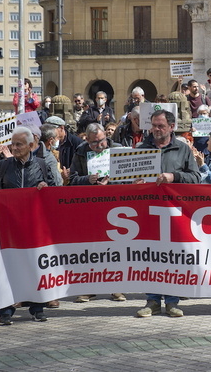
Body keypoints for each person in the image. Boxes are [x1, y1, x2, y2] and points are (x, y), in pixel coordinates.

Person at [0, 127, 56, 325]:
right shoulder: (3, 165)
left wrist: (46, 188)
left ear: (31, 146)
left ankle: (37, 308)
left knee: (35, 266)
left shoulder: (42, 165)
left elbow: (54, 191)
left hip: (34, 227)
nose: (14, 148)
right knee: (8, 267)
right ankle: (6, 310)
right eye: (13, 144)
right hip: (9, 227)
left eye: (19, 144)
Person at [135, 110, 201, 318]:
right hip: (148, 213)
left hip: (174, 213)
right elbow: (124, 180)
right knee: (150, 255)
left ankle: (172, 301)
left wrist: (174, 176)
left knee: (172, 256)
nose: (156, 129)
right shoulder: (140, 149)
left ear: (171, 127)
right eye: (154, 125)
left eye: (161, 126)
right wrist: (134, 184)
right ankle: (152, 300)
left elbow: (195, 178)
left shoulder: (182, 149)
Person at [69, 123, 126, 302]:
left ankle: (116, 287)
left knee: (115, 248)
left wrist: (112, 181)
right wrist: (87, 179)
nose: (99, 146)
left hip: (114, 206)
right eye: (94, 143)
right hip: (90, 206)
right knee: (90, 248)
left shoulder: (118, 149)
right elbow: (72, 179)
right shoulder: (80, 152)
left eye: (101, 141)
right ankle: (88, 288)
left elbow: (129, 179)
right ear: (87, 140)